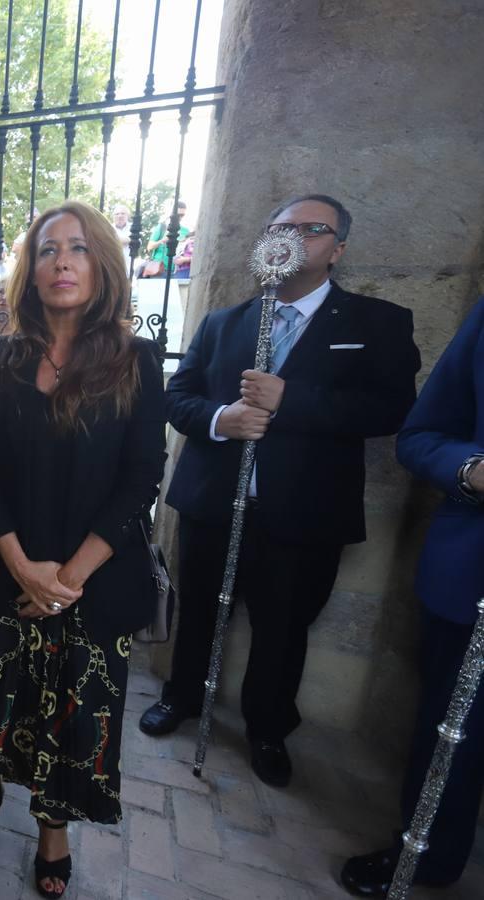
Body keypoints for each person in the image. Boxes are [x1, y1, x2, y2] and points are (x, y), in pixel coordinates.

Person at [138, 195, 422, 786]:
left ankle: (268, 726)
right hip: (215, 501)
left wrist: (290, 400)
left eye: (310, 229)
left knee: (284, 624)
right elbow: (178, 396)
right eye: (279, 228)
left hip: (303, 511)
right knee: (199, 608)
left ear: (337, 248)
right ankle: (184, 696)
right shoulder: (224, 322)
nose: (291, 238)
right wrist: (223, 420)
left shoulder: (376, 323)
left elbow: (391, 408)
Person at [0, 202, 165, 898]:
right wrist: (19, 566)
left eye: (79, 249)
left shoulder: (136, 361)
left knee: (71, 714)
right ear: (29, 273)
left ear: (103, 268)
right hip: (2, 571)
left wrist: (67, 579)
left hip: (92, 585)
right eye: (48, 250)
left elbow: (141, 477)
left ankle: (54, 827)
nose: (62, 262)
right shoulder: (1, 356)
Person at [340, 296, 484, 898]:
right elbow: (422, 434)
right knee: (452, 728)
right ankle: (426, 850)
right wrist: (473, 469)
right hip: (471, 573)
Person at [141, 201, 189, 277]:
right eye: (178, 215)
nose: (180, 217)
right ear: (172, 213)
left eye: (182, 215)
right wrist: (163, 240)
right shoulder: (162, 227)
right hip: (159, 269)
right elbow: (149, 247)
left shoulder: (185, 231)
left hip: (177, 270)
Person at [111, 205, 132, 273]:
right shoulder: (108, 228)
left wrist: (114, 240)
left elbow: (137, 241)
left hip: (129, 266)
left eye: (123, 213)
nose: (120, 216)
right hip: (112, 264)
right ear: (113, 216)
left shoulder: (133, 227)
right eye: (117, 214)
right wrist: (128, 239)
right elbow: (105, 241)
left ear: (127, 216)